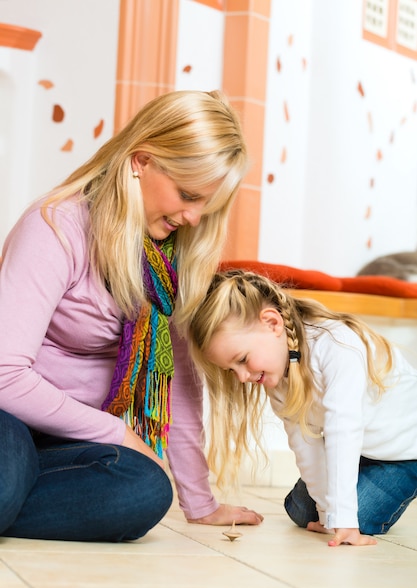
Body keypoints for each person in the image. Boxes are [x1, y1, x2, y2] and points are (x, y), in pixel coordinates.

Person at [0, 90, 263, 542]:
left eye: (208, 205)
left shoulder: (170, 264)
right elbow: (4, 374)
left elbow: (176, 385)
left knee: (144, 490)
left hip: (72, 435)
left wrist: (199, 503)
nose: (195, 217)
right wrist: (117, 431)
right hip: (10, 414)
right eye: (187, 195)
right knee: (8, 475)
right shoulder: (56, 226)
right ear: (141, 160)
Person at [187, 269, 417, 547]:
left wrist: (343, 520)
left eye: (243, 360)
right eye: (231, 369)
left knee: (358, 516)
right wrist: (325, 510)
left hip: (404, 454)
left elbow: (342, 432)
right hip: (362, 452)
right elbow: (305, 444)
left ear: (272, 323)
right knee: (303, 511)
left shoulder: (336, 347)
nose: (242, 376)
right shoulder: (277, 379)